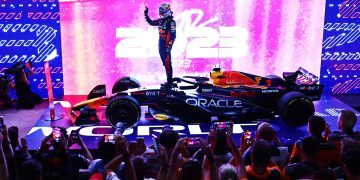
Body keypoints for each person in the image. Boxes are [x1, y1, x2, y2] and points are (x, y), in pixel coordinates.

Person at [144, 3, 176, 88]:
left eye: (162, 11)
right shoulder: (161, 20)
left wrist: (169, 47)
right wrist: (146, 15)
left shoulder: (171, 22)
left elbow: (173, 36)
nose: (160, 13)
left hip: (166, 44)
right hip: (160, 44)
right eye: (160, 12)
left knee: (168, 63)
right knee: (165, 63)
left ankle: (169, 83)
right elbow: (151, 23)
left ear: (167, 11)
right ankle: (169, 81)